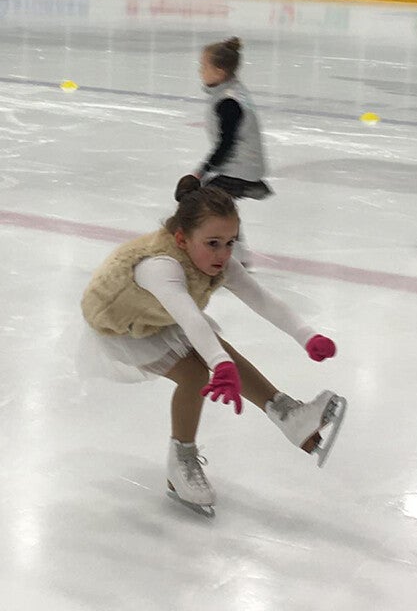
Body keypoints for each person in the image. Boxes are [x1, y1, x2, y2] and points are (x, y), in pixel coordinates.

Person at [80, 175, 346, 516]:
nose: (223, 253)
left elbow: (261, 299)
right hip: (121, 324)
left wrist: (307, 336)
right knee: (194, 375)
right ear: (182, 239)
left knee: (214, 349)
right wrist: (219, 364)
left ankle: (288, 414)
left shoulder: (215, 260)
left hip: (159, 313)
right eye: (213, 243)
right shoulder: (159, 267)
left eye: (231, 242)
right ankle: (181, 463)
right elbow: (190, 319)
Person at [195, 36, 271, 269]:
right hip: (241, 163)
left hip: (241, 166)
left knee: (209, 202)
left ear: (219, 72)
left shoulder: (228, 101)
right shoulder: (229, 91)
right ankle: (237, 255)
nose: (200, 71)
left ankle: (235, 257)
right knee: (216, 205)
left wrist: (204, 169)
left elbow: (226, 144)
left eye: (204, 66)